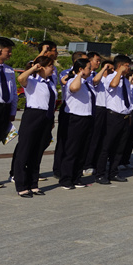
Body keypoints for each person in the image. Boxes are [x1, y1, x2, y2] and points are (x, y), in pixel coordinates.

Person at [14, 56, 57, 197]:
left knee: (38, 152)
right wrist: (34, 68)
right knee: (25, 150)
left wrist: (51, 119)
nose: (53, 68)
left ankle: (33, 184)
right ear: (42, 67)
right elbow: (21, 79)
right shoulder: (32, 80)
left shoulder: (50, 83)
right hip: (33, 116)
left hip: (46, 117)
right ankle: (21, 185)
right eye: (50, 66)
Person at [95, 54, 133, 184]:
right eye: (127, 66)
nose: (129, 68)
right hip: (113, 116)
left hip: (124, 116)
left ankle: (113, 172)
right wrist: (119, 72)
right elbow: (113, 85)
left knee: (119, 147)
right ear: (120, 66)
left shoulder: (126, 81)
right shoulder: (111, 77)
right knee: (107, 146)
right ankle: (100, 174)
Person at [59, 58, 95, 189]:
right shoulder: (72, 81)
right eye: (88, 68)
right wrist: (78, 75)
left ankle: (76, 177)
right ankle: (66, 178)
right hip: (75, 118)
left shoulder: (86, 83)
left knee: (82, 150)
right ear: (81, 69)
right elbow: (74, 88)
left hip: (87, 118)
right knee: (72, 150)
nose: (91, 70)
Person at [0, 37, 18, 189]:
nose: (10, 54)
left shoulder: (8, 70)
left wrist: (12, 111)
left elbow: (13, 92)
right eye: (8, 51)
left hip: (4, 109)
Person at [52, 51, 87, 180]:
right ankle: (59, 169)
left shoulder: (88, 76)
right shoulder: (66, 73)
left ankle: (75, 173)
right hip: (69, 109)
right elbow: (67, 83)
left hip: (84, 112)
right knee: (65, 141)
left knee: (80, 145)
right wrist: (76, 74)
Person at [83, 56, 112, 176]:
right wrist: (104, 68)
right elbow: (95, 81)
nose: (98, 63)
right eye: (97, 61)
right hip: (97, 108)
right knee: (93, 138)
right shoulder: (92, 75)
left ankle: (96, 162)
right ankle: (87, 164)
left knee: (101, 138)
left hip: (106, 109)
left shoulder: (109, 79)